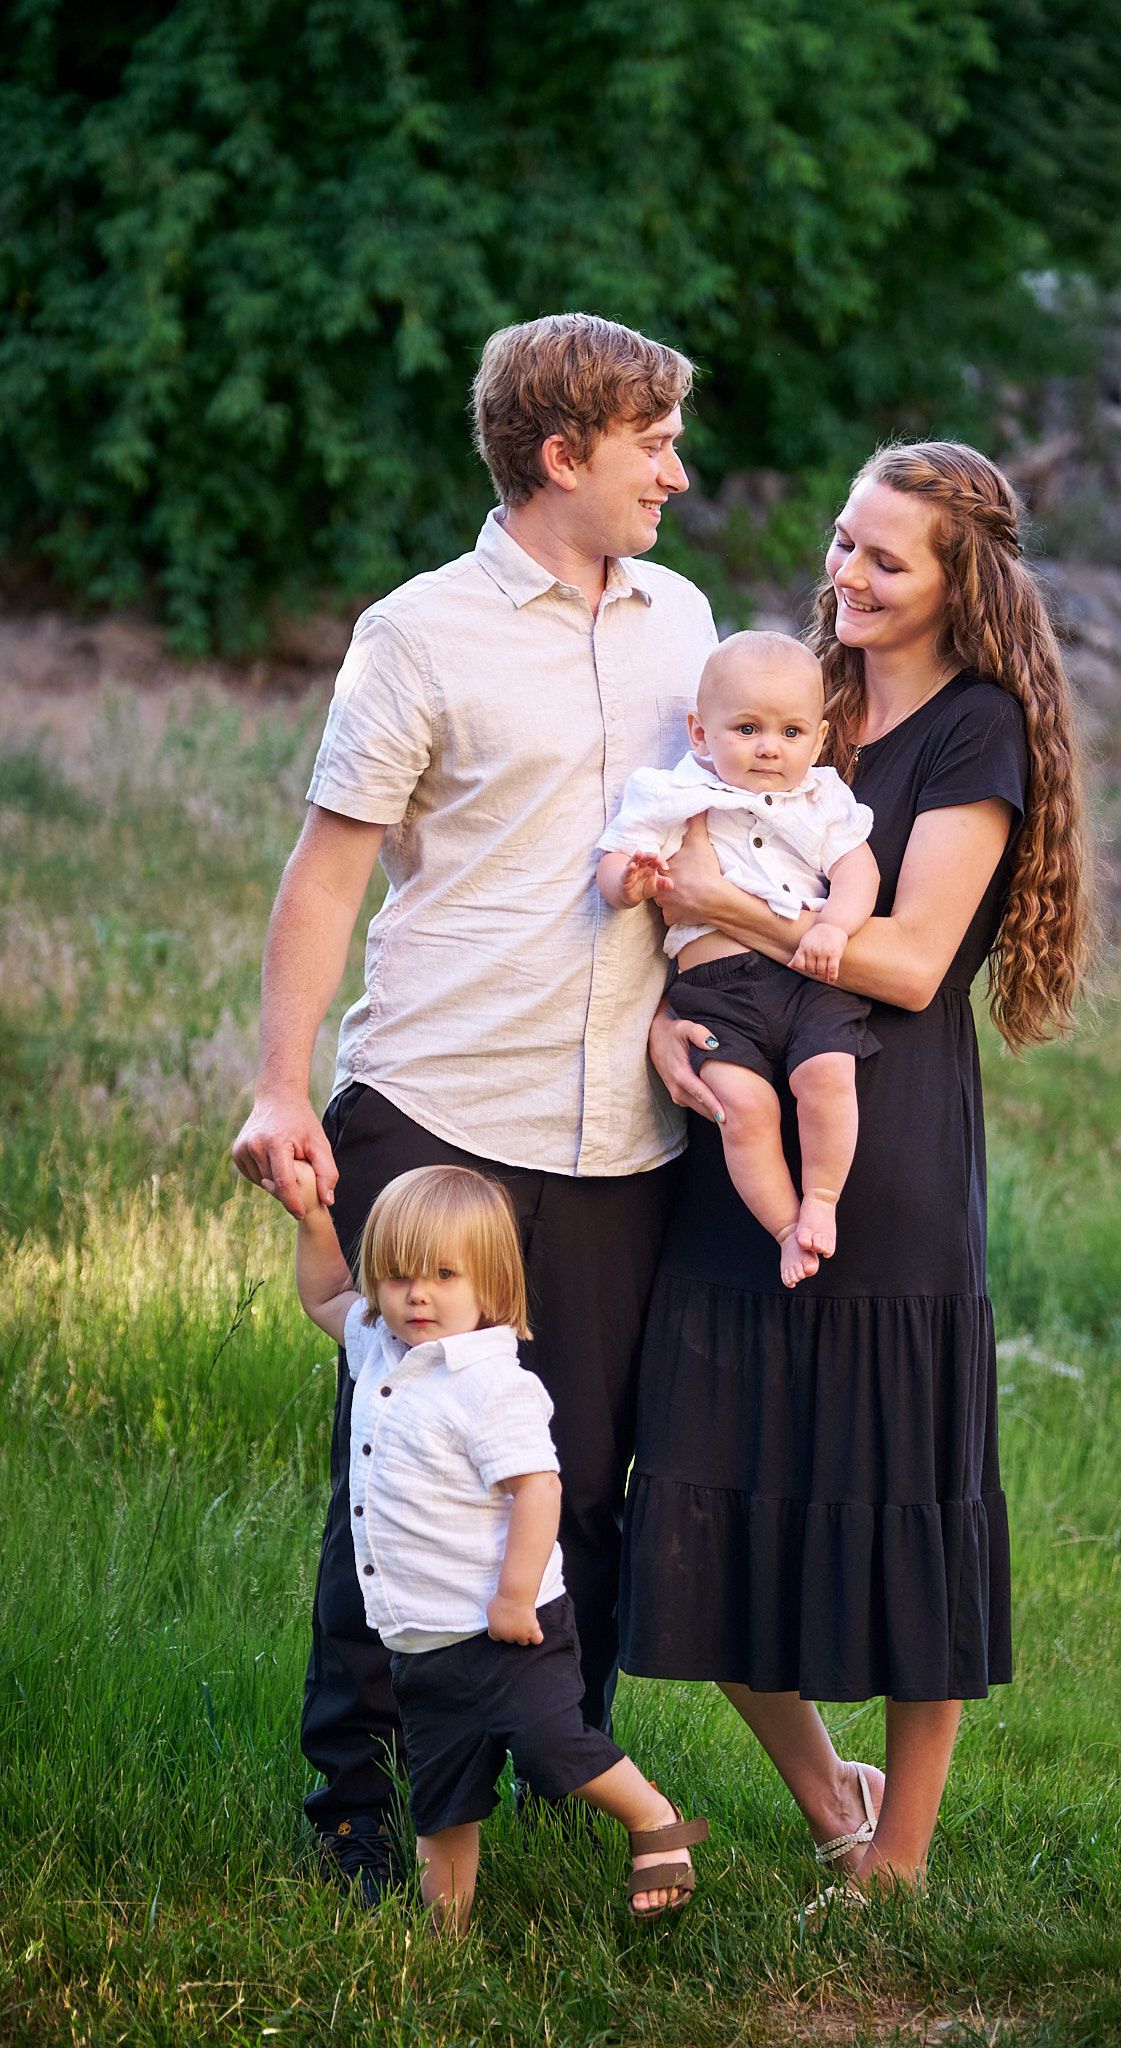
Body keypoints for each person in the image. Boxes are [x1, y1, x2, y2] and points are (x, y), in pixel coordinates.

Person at [231, 312, 719, 1899]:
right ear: (561, 453)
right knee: (406, 1477)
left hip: (621, 1143)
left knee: (580, 1486)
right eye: (653, 442)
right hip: (437, 1116)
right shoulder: (418, 633)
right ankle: (361, 1813)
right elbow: (330, 869)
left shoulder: (686, 621)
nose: (677, 469)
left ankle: (534, 1778)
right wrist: (280, 1085)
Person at [626, 440, 1093, 1900]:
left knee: (900, 1484)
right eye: (841, 542)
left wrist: (721, 911)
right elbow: (665, 868)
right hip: (731, 1119)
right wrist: (664, 1025)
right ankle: (831, 1795)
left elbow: (902, 961)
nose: (847, 574)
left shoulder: (973, 734)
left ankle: (896, 1860)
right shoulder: (788, 699)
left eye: (887, 559)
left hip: (881, 1143)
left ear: (964, 582)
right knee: (699, 1475)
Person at [289, 1159, 707, 1926]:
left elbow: (537, 1488)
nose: (416, 1294)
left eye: (443, 1275)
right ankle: (442, 1938)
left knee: (551, 1749)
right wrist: (315, 1220)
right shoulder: (380, 1351)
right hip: (422, 1643)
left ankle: (652, 1818)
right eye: (397, 1275)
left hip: (509, 1629)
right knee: (443, 1807)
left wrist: (515, 1595)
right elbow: (322, 1293)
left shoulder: (493, 1385)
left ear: (489, 1287)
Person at [596, 631, 880, 1288]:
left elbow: (855, 870)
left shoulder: (821, 799)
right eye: (747, 728)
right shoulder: (672, 793)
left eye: (789, 732)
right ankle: (786, 1228)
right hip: (716, 990)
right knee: (742, 1109)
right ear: (700, 732)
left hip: (805, 977)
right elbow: (614, 863)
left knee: (828, 1077)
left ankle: (821, 1201)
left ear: (817, 739)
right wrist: (629, 883)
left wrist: (834, 926)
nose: (768, 748)